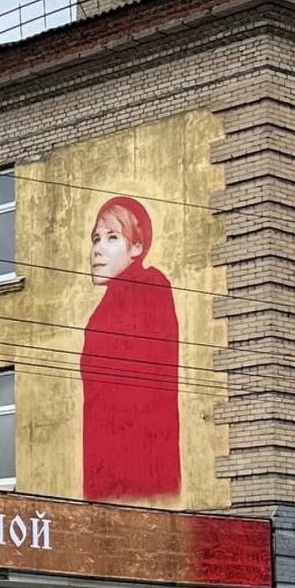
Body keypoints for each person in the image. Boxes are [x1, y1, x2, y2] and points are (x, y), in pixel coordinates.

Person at [80, 196, 181, 501]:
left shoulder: (151, 288)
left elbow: (145, 393)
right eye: (96, 239)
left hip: (141, 473)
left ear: (137, 247)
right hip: (107, 475)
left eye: (112, 237)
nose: (97, 249)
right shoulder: (104, 310)